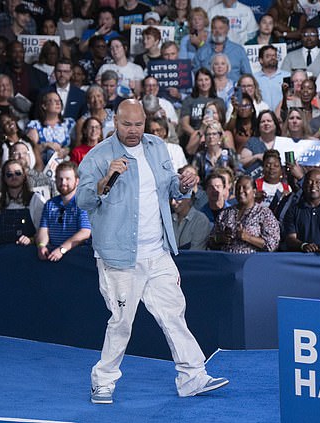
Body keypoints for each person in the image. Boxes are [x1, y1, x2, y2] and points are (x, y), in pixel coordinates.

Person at [76, 99, 228, 404]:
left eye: (138, 124)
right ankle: (103, 381)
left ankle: (192, 377)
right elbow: (83, 200)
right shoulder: (98, 156)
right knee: (121, 323)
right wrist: (106, 180)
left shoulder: (158, 146)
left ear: (145, 121)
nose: (133, 131)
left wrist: (183, 184)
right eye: (126, 124)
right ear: (115, 122)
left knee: (174, 314)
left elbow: (170, 186)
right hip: (119, 257)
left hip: (158, 250)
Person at [0, 160, 46, 261]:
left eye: (18, 173)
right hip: (3, 259)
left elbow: (43, 231)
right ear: (4, 179)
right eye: (9, 174)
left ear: (24, 176)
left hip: (28, 258)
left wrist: (31, 240)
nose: (14, 177)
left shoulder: (36, 199)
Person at [208, 175, 280, 253]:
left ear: (254, 192)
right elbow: (210, 241)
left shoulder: (264, 214)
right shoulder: (225, 213)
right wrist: (220, 238)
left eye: (245, 187)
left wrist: (248, 237)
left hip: (252, 261)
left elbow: (272, 244)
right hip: (227, 261)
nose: (241, 191)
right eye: (238, 188)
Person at [36, 161, 91, 262]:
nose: (63, 182)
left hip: (77, 258)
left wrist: (62, 249)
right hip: (52, 256)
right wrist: (41, 246)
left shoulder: (82, 203)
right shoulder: (50, 204)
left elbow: (85, 232)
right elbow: (43, 230)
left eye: (67, 179)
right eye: (60, 179)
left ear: (77, 181)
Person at [192, 16, 252, 82]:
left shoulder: (238, 50)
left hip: (235, 90)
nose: (217, 31)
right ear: (211, 30)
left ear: (227, 29)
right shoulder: (202, 51)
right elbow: (195, 75)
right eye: (214, 28)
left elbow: (248, 76)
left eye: (221, 28)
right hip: (209, 91)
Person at [254, 45, 290, 112]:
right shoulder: (254, 79)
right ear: (260, 60)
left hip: (284, 117)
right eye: (268, 56)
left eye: (274, 55)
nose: (272, 58)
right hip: (262, 119)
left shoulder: (287, 76)